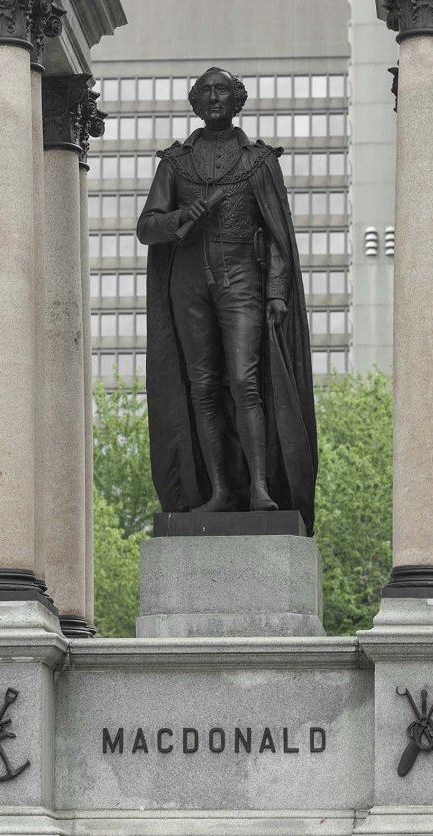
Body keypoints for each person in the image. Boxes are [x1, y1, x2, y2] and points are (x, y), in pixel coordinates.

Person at [137, 67, 318, 532]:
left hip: (242, 277)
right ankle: (218, 491)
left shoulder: (258, 161)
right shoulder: (175, 164)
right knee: (201, 385)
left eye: (222, 91)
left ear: (237, 100)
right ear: (195, 102)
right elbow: (147, 228)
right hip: (189, 280)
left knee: (245, 379)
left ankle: (259, 487)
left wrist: (276, 291)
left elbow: (279, 236)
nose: (214, 97)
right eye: (205, 92)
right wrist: (181, 214)